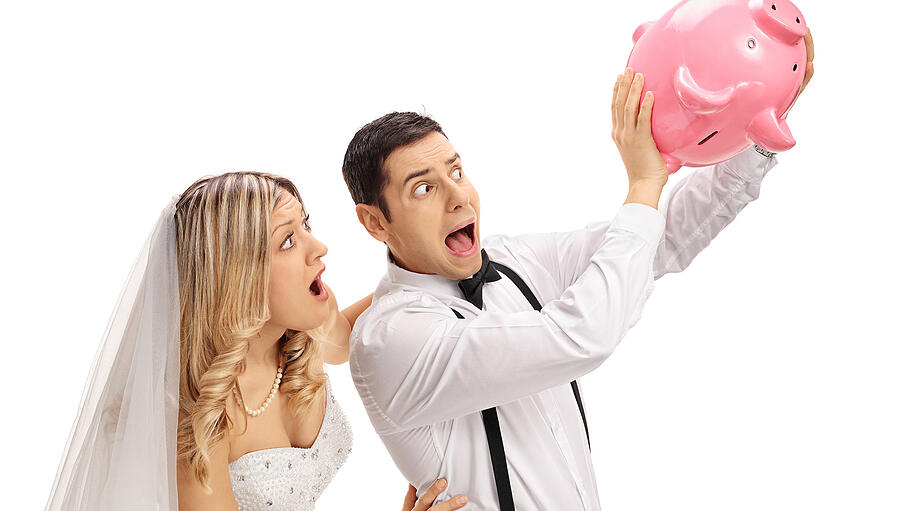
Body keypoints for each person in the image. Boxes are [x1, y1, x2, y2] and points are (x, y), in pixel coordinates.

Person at [341, 49, 814, 510]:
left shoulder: (513, 260)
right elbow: (580, 337)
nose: (458, 197)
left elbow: (656, 237)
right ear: (375, 223)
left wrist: (760, 126)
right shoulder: (390, 338)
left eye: (457, 171)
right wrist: (643, 184)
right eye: (423, 188)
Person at [45, 171, 467, 510]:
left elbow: (374, 328)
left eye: (306, 225)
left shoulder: (302, 331)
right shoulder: (193, 422)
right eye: (287, 240)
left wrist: (433, 269)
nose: (318, 247)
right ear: (237, 277)